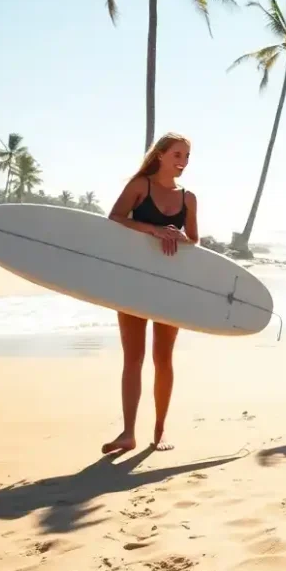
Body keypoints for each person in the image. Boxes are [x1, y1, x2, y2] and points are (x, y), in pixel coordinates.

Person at [102, 132, 199, 453]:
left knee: (163, 359)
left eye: (187, 156)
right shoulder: (139, 186)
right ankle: (128, 433)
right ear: (160, 155)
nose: (183, 162)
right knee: (133, 358)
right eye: (177, 155)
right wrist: (153, 230)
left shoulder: (188, 199)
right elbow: (114, 219)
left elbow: (194, 240)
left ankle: (160, 431)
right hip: (134, 282)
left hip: (170, 284)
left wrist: (179, 236)